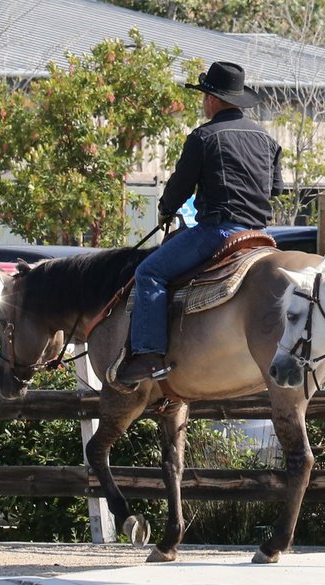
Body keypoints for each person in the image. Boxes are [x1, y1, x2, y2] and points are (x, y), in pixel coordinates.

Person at [115, 61, 283, 386]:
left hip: (218, 231)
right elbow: (275, 189)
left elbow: (180, 186)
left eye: (205, 96)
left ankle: (149, 356)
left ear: (213, 100)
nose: (204, 102)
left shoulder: (203, 137)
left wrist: (165, 210)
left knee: (149, 273)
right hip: (260, 234)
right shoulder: (267, 140)